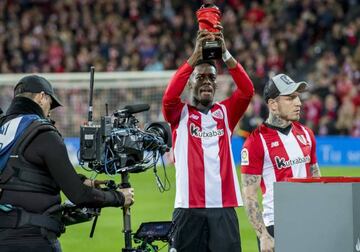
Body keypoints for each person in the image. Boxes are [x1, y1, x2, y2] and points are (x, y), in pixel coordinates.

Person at [0, 75, 134, 252]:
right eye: (50, 103)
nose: (49, 112)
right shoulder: (43, 132)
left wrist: (80, 179)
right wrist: (119, 197)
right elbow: (79, 195)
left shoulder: (4, 127)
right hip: (33, 239)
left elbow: (21, 171)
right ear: (41, 96)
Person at [162, 28, 254, 252]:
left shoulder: (226, 113)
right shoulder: (179, 114)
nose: (206, 81)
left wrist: (226, 55)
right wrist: (194, 57)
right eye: (200, 77)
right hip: (187, 208)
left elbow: (247, 90)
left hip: (223, 208)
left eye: (211, 77)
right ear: (190, 83)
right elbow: (168, 97)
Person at [240, 74, 321, 252]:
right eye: (290, 98)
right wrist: (263, 235)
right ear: (273, 105)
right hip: (275, 227)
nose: (298, 103)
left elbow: (316, 178)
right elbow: (249, 195)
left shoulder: (307, 134)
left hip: (307, 223)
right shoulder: (255, 142)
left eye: (298, 97)